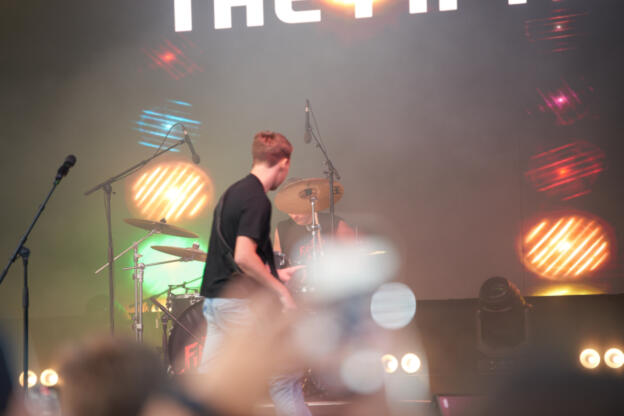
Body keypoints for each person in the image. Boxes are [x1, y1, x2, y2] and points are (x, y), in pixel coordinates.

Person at [199, 131, 310, 416]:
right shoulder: (257, 199)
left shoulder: (232, 193)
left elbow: (234, 256)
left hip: (216, 301)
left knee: (209, 385)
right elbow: (244, 256)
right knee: (284, 377)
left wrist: (275, 273)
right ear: (283, 163)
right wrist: (281, 290)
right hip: (239, 305)